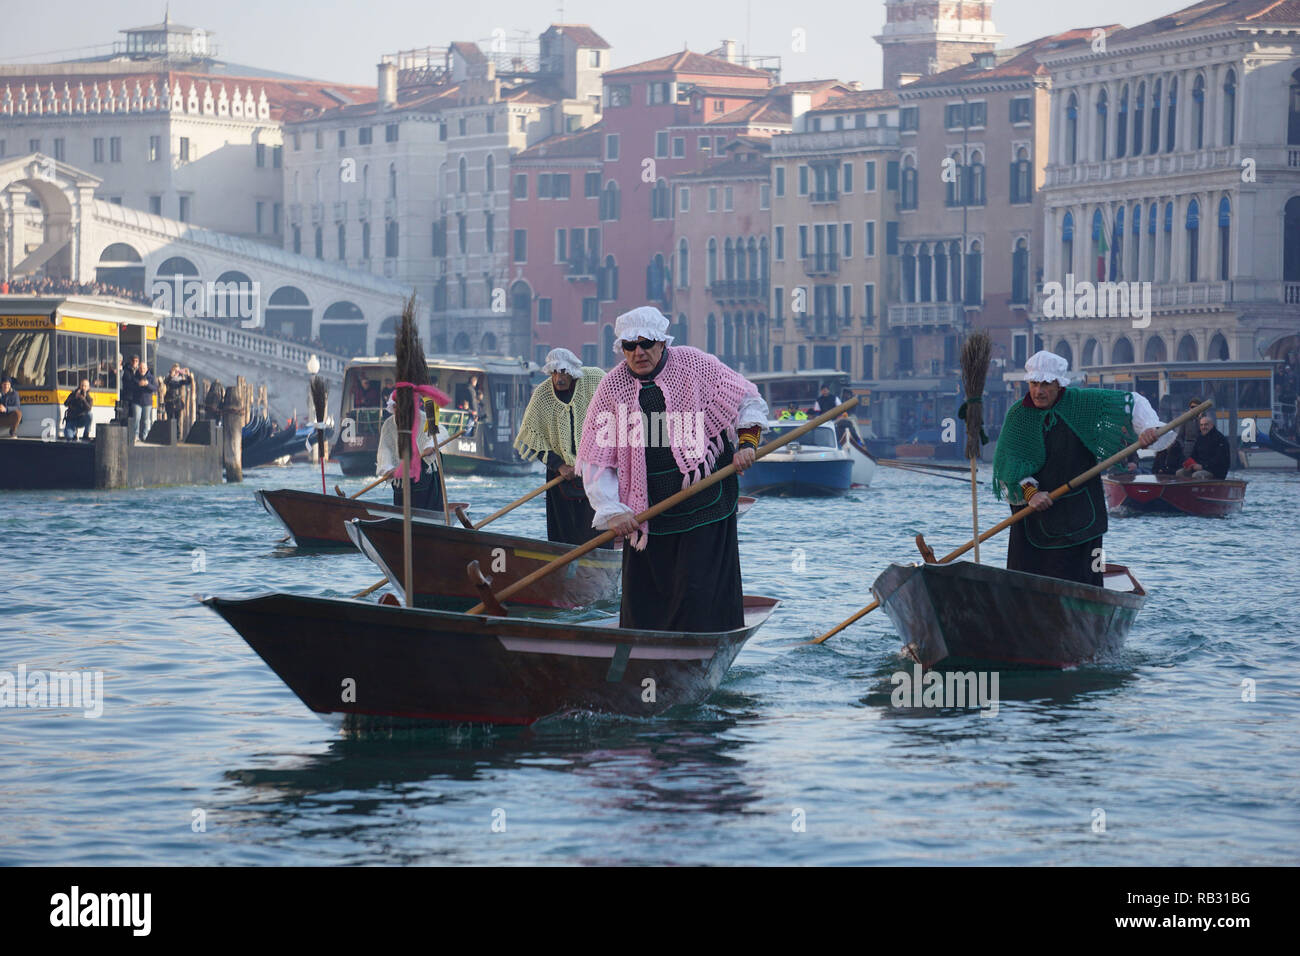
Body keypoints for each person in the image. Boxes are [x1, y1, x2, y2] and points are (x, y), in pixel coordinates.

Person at [576, 305, 768, 632]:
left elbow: (747, 399)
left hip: (706, 500)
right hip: (647, 509)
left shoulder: (695, 364)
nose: (638, 352)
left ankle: (702, 648)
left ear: (662, 342)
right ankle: (648, 656)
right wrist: (612, 510)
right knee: (647, 600)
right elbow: (598, 459)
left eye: (646, 343)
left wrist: (747, 443)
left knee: (698, 591)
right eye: (629, 346)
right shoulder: (611, 388)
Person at [992, 351, 1174, 587]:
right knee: (1025, 581)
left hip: (1081, 515)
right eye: (1034, 384)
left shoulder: (1084, 403)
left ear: (1059, 384)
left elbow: (1133, 401)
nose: (1038, 391)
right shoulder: (1018, 416)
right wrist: (1031, 494)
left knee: (1083, 579)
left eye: (1046, 384)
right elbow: (1010, 467)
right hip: (1033, 518)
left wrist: (1148, 428)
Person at [513, 348, 608, 545]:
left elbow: (615, 405)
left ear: (572, 371)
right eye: (554, 373)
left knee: (597, 530)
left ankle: (597, 566)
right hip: (561, 477)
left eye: (563, 372)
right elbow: (532, 438)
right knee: (564, 533)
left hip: (594, 471)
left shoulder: (594, 379)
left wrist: (592, 459)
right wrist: (560, 466)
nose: (559, 378)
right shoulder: (542, 395)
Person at [376, 393, 447, 511]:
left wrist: (430, 446)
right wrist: (387, 468)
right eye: (396, 407)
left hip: (425, 464)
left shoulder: (425, 418)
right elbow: (385, 449)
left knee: (426, 500)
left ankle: (430, 519)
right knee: (401, 498)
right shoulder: (388, 425)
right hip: (400, 467)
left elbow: (441, 432)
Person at [1176, 413, 1231, 480]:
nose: (1203, 427)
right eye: (1201, 425)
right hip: (1199, 468)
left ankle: (1196, 489)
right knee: (1179, 473)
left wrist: (1203, 466)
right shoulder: (1200, 438)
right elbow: (1194, 455)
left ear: (1212, 425)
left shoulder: (1220, 439)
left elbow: (1220, 460)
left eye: (1206, 425)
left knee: (1196, 475)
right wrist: (1189, 464)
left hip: (1215, 471)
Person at [131, 362, 158, 441]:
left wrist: (147, 384)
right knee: (136, 418)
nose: (142, 370)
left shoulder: (151, 378)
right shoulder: (135, 377)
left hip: (147, 402)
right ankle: (135, 435)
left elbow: (155, 388)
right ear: (139, 369)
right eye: (141, 368)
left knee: (146, 420)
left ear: (147, 369)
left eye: (144, 368)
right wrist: (139, 384)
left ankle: (145, 435)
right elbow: (132, 387)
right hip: (137, 401)